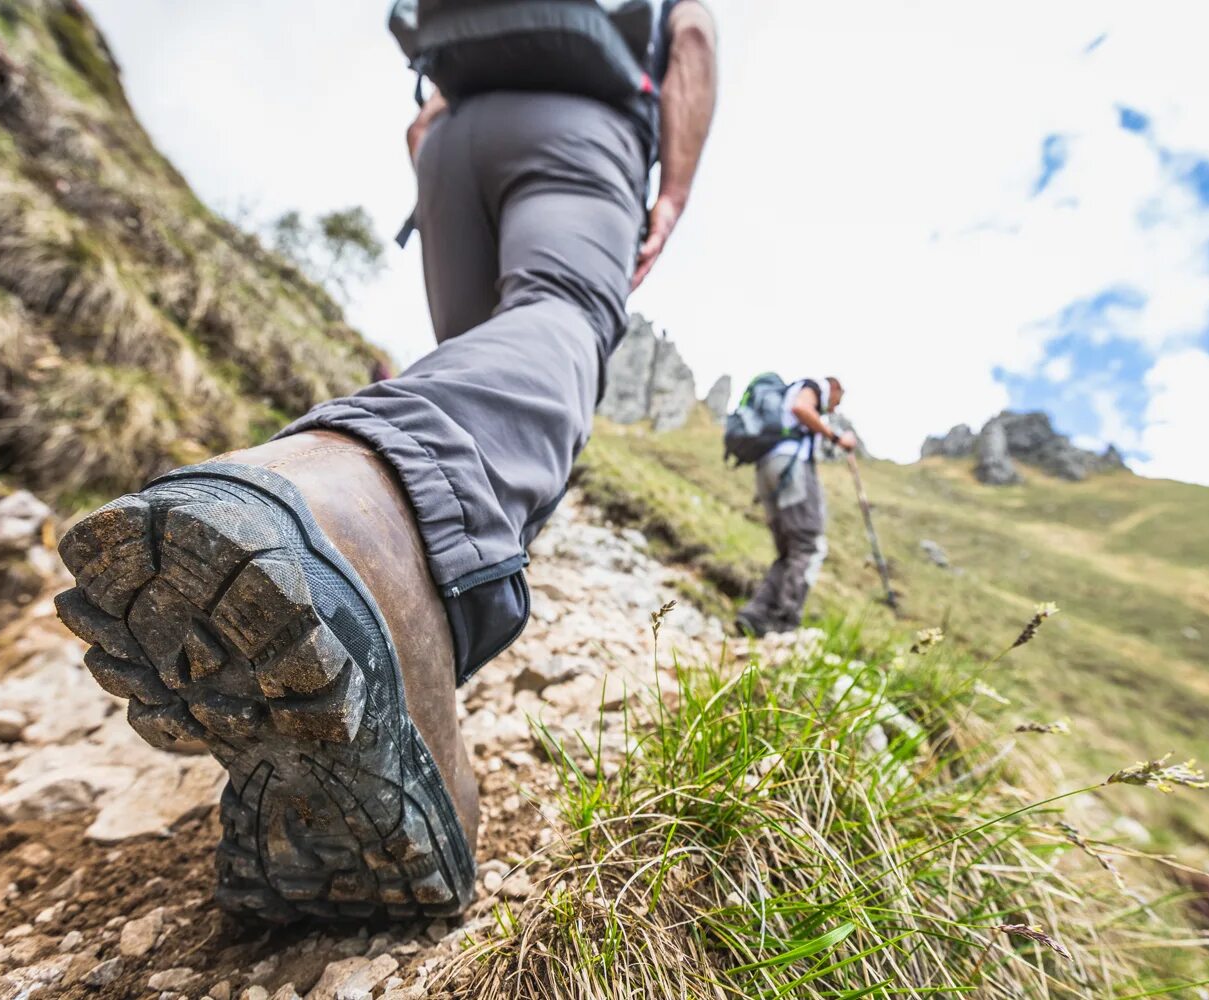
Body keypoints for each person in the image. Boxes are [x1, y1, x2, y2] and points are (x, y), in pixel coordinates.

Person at [54, 2, 717, 924]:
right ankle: (351, 515)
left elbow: (424, 107)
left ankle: (383, 639)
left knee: (482, 350)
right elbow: (691, 34)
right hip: (582, 125)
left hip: (450, 140)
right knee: (560, 317)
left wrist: (439, 140)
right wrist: (672, 188)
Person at [736, 378, 856, 637]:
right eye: (838, 400)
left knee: (788, 551)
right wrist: (836, 437)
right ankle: (784, 622)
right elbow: (801, 409)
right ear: (834, 387)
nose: (834, 408)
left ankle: (755, 614)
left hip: (767, 470)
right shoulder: (813, 387)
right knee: (808, 544)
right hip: (791, 468)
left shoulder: (786, 396)